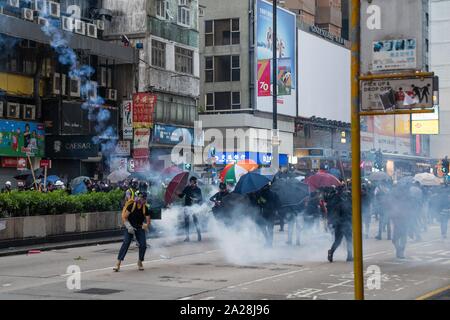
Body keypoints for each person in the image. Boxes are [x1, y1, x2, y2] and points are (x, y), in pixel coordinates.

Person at [113, 191, 151, 272]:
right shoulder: (131, 205)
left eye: (144, 198)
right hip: (130, 227)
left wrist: (146, 226)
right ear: (139, 198)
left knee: (143, 245)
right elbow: (125, 217)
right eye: (142, 198)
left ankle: (140, 262)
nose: (143, 200)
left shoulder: (145, 208)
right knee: (126, 243)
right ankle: (118, 264)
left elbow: (148, 220)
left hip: (139, 227)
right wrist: (129, 226)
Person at [327, 186, 353, 263]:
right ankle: (349, 256)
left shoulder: (336, 201)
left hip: (339, 224)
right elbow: (348, 213)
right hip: (344, 223)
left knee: (338, 241)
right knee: (349, 240)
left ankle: (331, 252)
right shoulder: (343, 203)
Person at [178, 177, 203, 242]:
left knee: (196, 221)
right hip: (187, 207)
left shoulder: (198, 189)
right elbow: (181, 196)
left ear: (195, 182)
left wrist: (196, 200)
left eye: (193, 182)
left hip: (194, 207)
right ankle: (187, 237)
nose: (192, 183)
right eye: (191, 181)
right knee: (186, 222)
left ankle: (199, 235)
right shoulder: (187, 188)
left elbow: (201, 199)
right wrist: (177, 193)